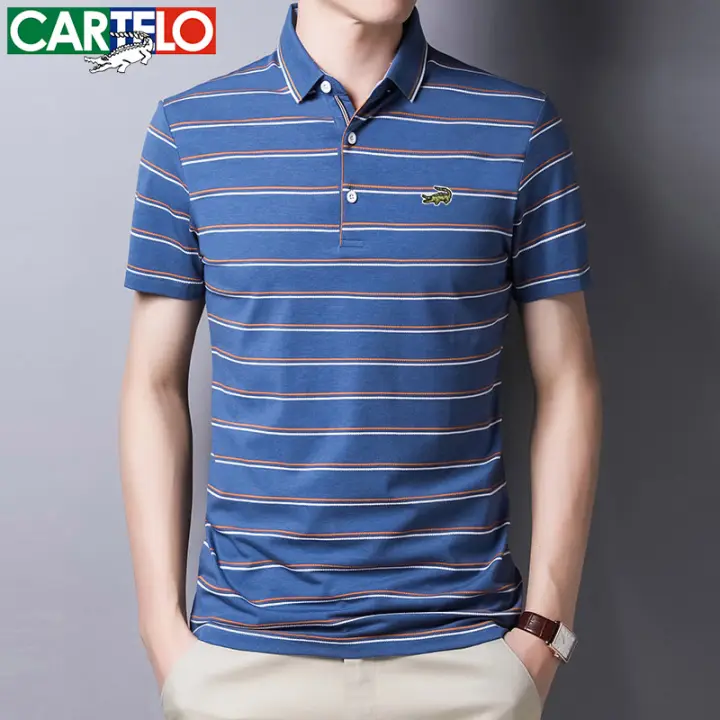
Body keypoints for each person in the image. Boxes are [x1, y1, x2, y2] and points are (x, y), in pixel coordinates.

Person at [119, 1, 602, 718]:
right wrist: (163, 632)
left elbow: (569, 383)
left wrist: (544, 632)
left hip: (466, 657)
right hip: (242, 659)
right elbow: (152, 385)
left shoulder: (519, 128)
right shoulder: (191, 130)